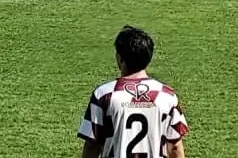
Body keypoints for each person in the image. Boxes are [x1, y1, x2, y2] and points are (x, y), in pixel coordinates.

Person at [77, 26, 188, 158]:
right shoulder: (167, 96)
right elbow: (175, 146)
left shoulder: (104, 94)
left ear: (120, 58)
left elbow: (92, 145)